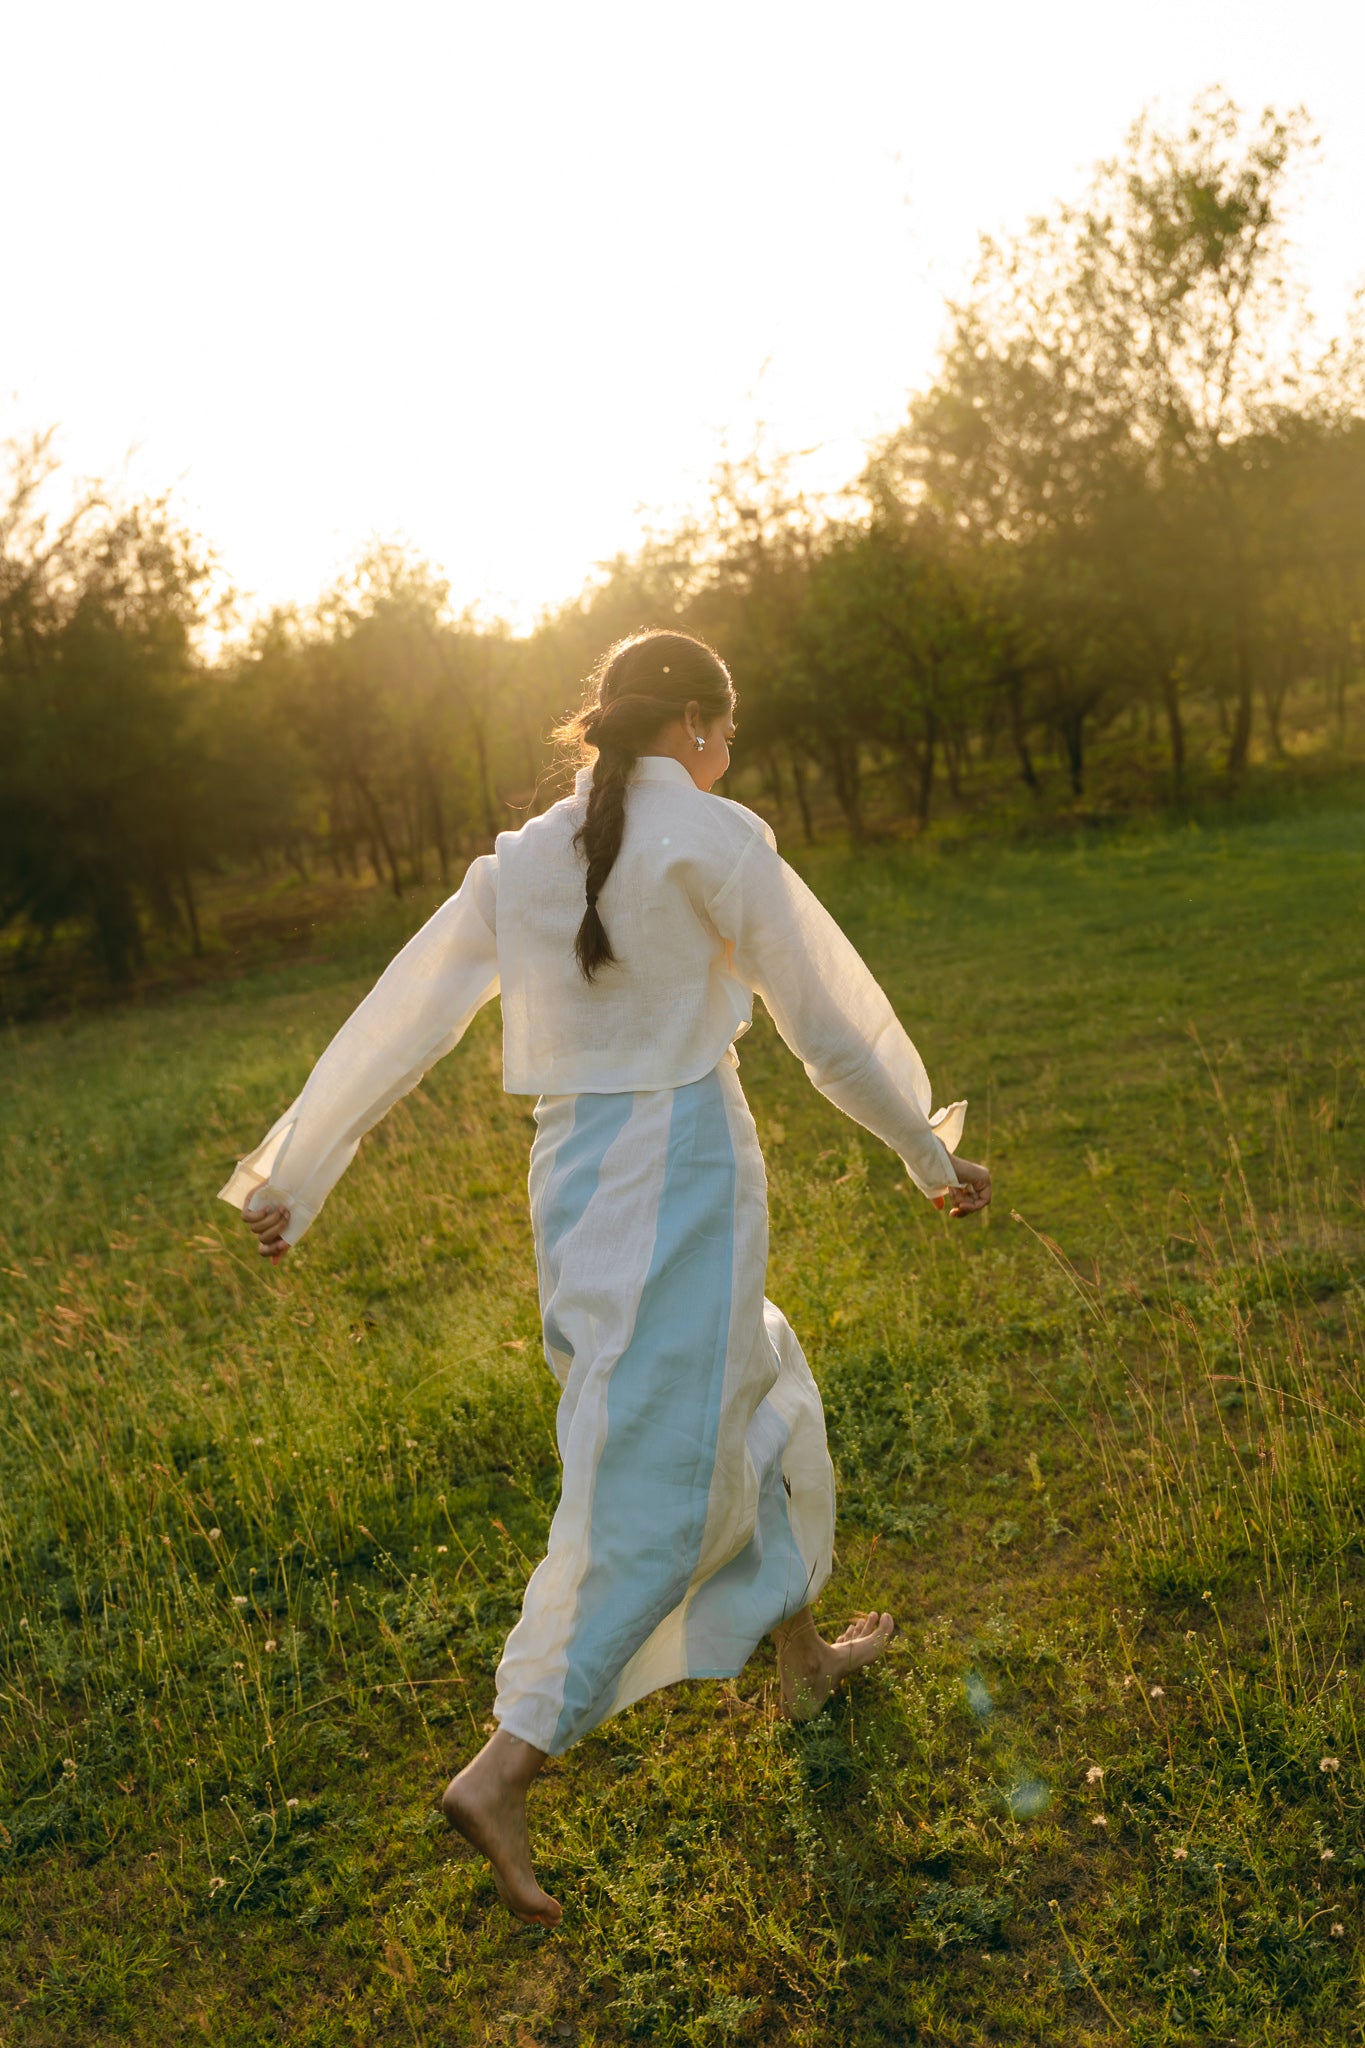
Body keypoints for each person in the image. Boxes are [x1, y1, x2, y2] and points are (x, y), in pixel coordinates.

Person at [219, 628, 990, 1928]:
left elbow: (402, 1012)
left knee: (754, 1375)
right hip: (681, 1166)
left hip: (572, 1176)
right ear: (694, 721)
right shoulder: (717, 838)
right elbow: (832, 1029)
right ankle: (506, 1761)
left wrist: (299, 1167)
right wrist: (927, 1151)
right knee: (658, 1475)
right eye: (726, 732)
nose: (728, 754)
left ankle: (799, 1659)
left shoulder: (519, 863)